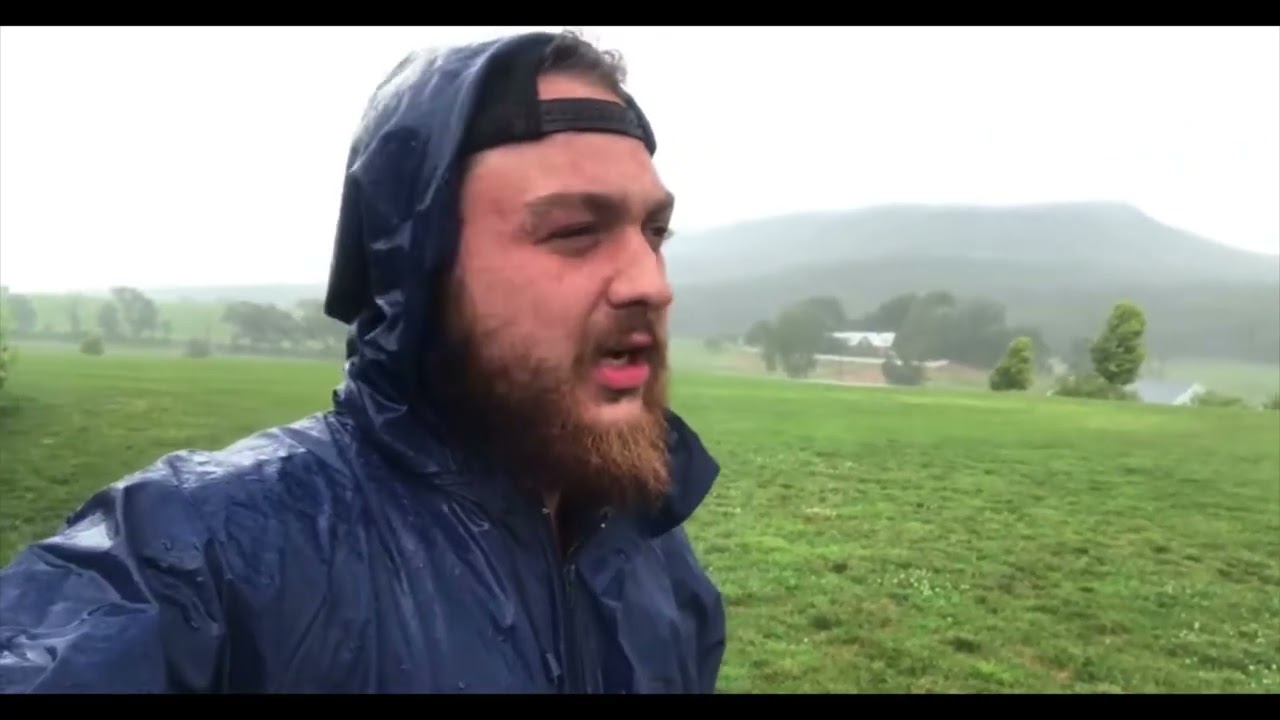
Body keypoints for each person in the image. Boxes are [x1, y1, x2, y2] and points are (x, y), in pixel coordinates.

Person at [0, 29, 726, 694]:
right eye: (574, 231)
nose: (651, 283)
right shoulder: (207, 553)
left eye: (654, 231)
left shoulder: (652, 552)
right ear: (418, 268)